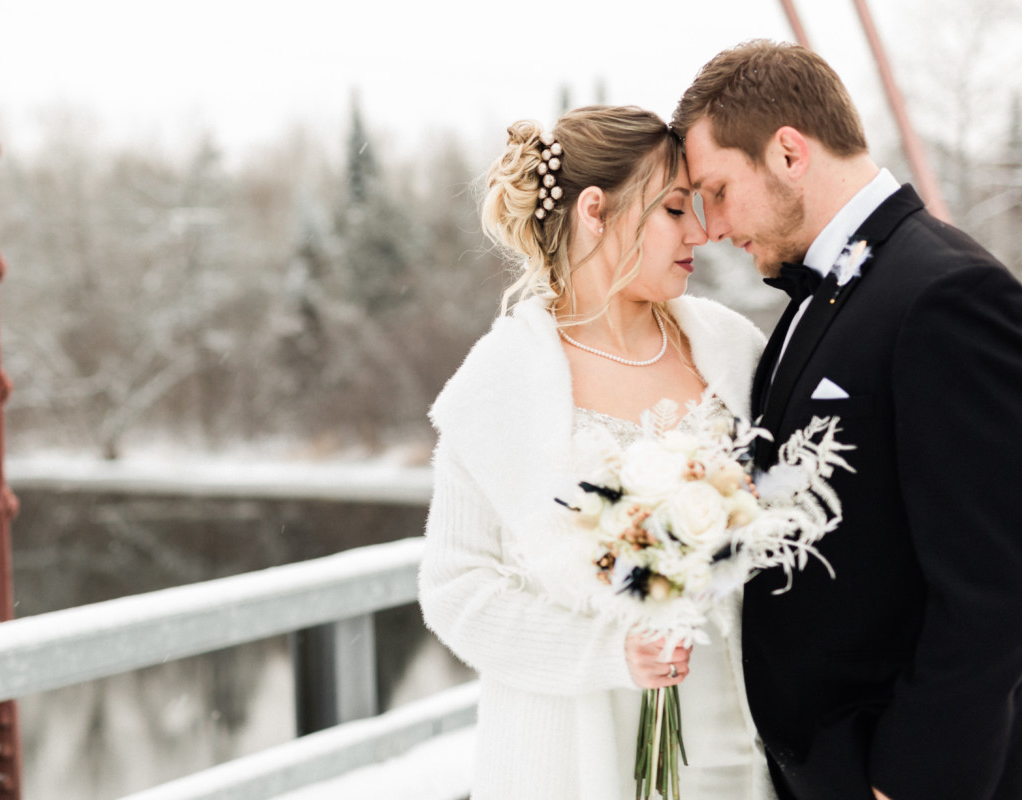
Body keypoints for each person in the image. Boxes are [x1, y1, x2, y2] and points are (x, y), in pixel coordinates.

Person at [672, 40, 1022, 800]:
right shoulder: (823, 293)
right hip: (822, 767)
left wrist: (913, 778)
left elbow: (995, 583)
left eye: (718, 189)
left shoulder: (946, 294)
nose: (712, 225)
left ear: (789, 153)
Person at [418, 105, 774, 799]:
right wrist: (609, 654)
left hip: (739, 740)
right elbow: (456, 589)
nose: (700, 231)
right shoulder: (499, 384)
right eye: (675, 209)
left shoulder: (733, 350)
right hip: (575, 754)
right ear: (594, 210)